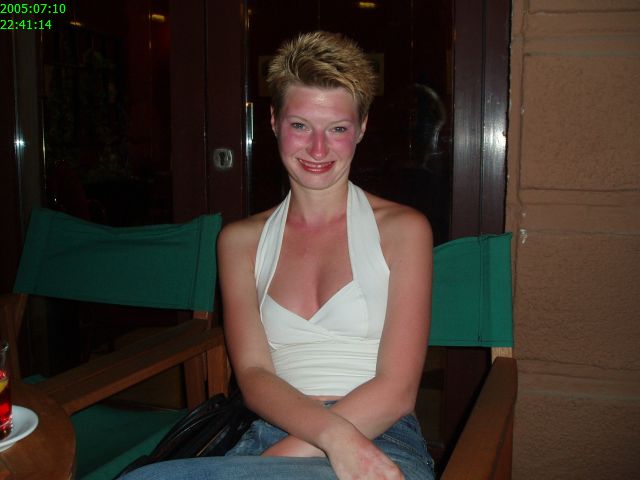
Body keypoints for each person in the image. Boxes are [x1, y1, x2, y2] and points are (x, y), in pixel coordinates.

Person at [122, 30, 434, 480]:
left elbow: (398, 390)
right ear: (273, 122)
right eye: (300, 126)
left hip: (381, 436)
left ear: (362, 128)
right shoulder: (240, 242)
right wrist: (319, 444)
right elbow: (252, 374)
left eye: (338, 129)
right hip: (269, 432)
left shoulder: (404, 231)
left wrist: (275, 464)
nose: (318, 149)